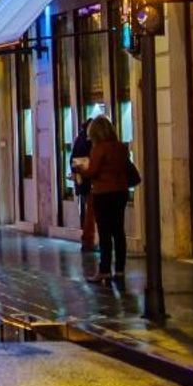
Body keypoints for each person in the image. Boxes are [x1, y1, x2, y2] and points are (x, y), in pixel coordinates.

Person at [81, 116, 131, 284]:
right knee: (118, 231)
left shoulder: (99, 148)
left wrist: (81, 170)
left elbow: (93, 171)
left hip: (103, 193)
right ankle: (120, 270)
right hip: (121, 192)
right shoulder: (121, 147)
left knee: (104, 233)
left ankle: (104, 270)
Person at [69, 124, 96, 253]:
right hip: (90, 182)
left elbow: (73, 160)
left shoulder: (80, 138)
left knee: (89, 211)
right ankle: (88, 241)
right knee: (91, 212)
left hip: (84, 182)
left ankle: (88, 240)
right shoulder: (88, 140)